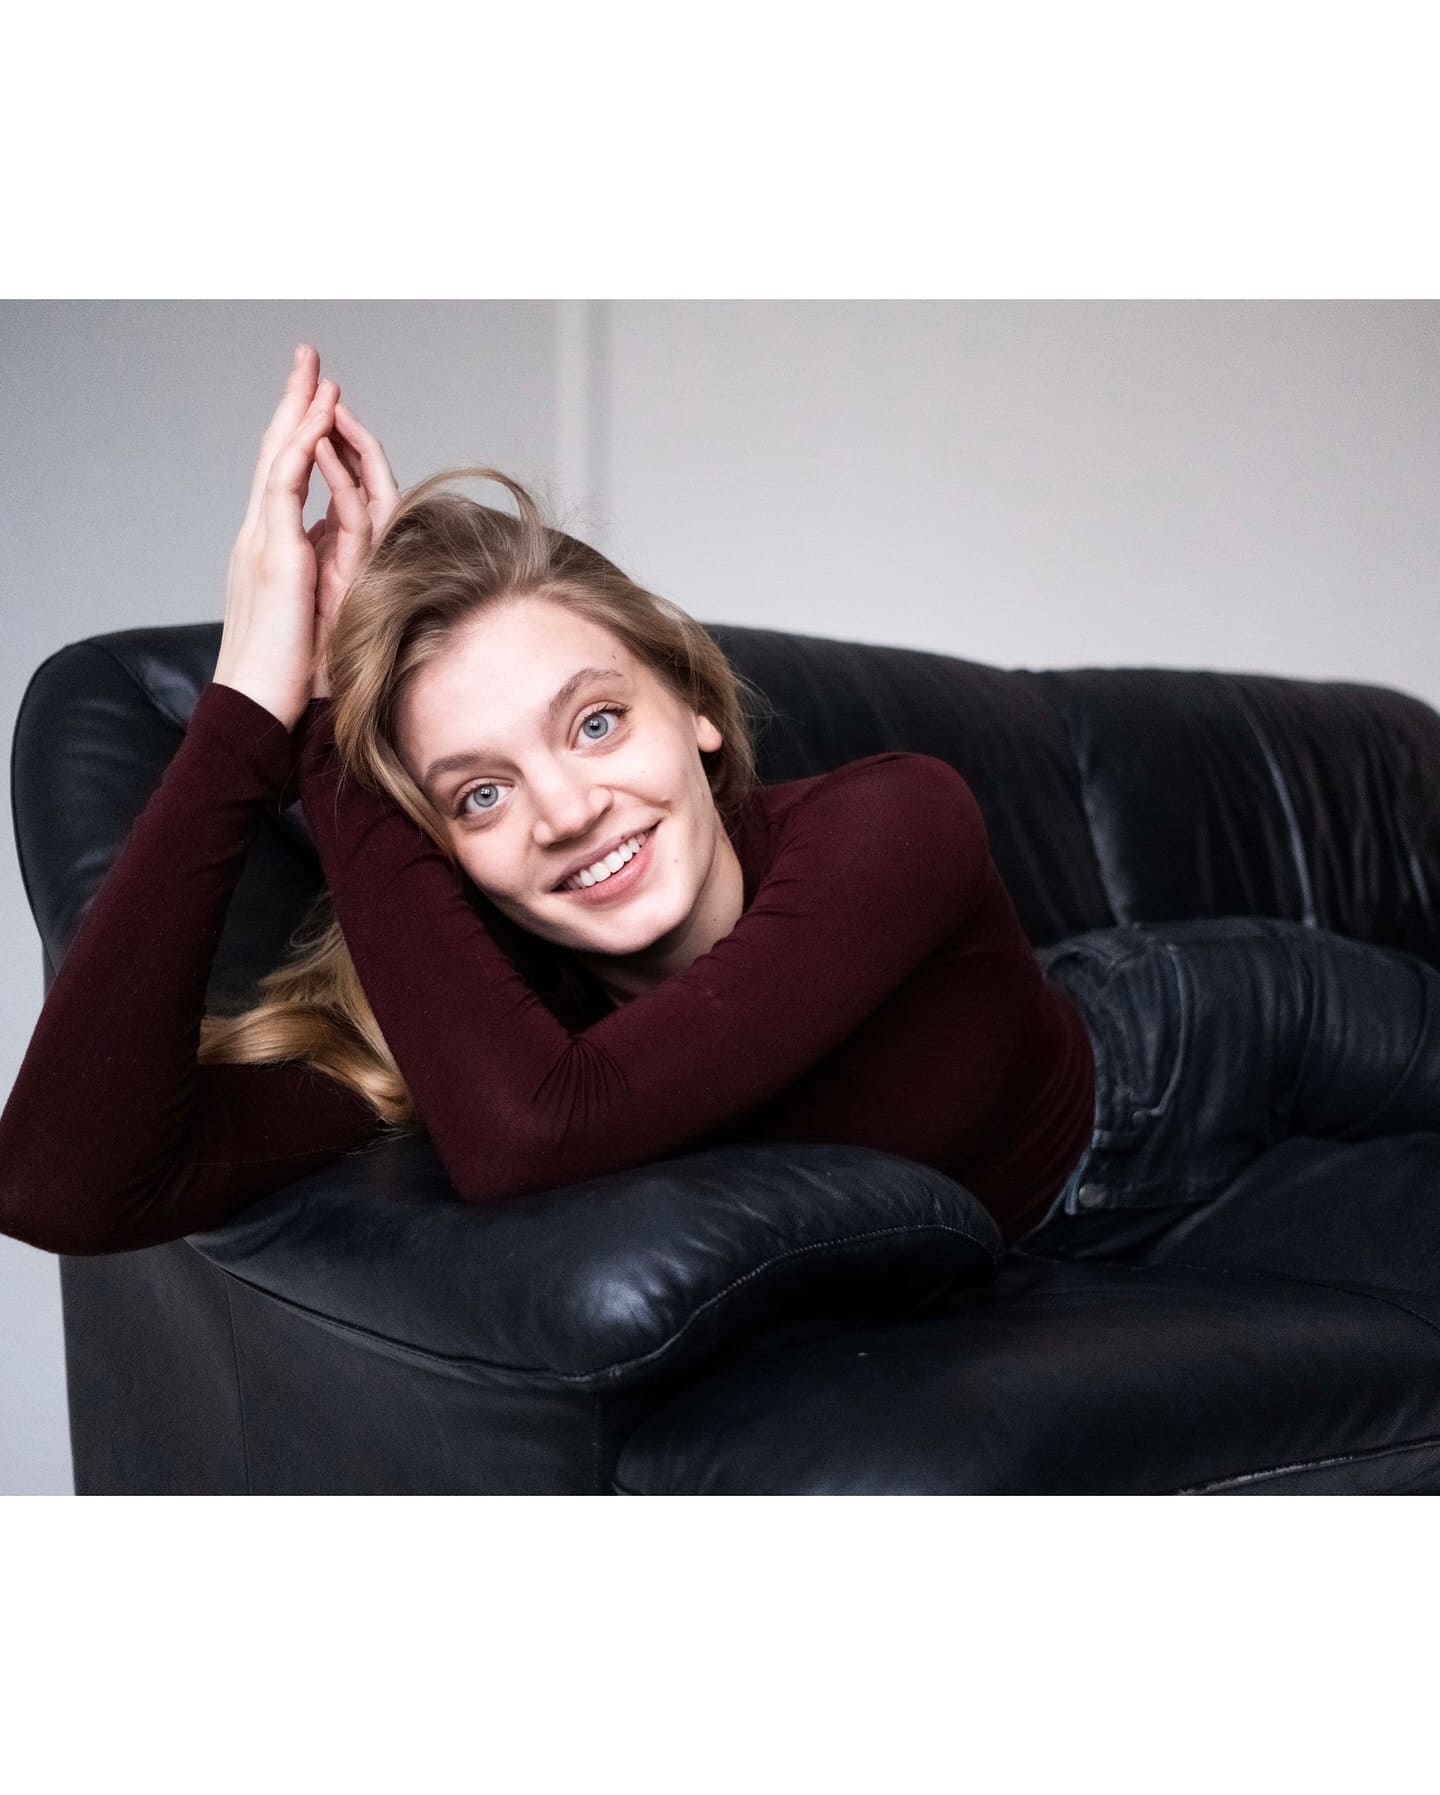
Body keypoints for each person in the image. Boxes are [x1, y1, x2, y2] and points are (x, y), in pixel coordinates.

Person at [2, 345, 1437, 1291]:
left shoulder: (895, 822)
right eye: (480, 793)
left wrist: (334, 743)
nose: (570, 809)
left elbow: (543, 1135)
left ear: (693, 705)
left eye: (596, 721)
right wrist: (263, 711)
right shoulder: (486, 1033)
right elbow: (60, 1184)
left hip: (1206, 1053)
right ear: (427, 849)